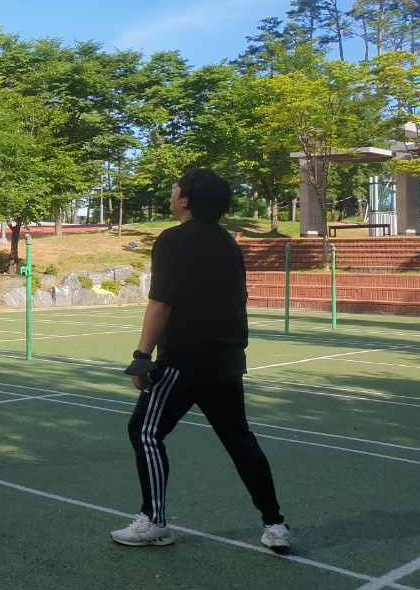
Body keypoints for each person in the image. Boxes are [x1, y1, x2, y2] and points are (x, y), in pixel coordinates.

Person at [111, 169, 291, 553]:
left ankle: (154, 522)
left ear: (186, 200)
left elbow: (161, 302)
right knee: (239, 440)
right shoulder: (227, 242)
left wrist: (142, 357)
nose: (172, 192)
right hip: (227, 360)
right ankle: (275, 524)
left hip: (184, 359)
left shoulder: (172, 239)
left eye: (175, 188)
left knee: (144, 432)